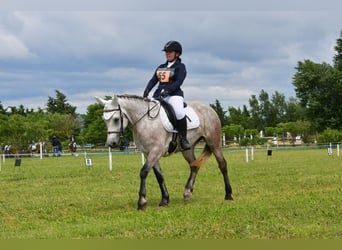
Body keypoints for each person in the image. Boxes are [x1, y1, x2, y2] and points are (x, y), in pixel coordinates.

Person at [143, 40, 190, 150]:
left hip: (174, 95)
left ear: (177, 54)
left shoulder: (180, 67)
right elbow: (153, 80)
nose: (167, 54)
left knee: (179, 112)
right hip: (159, 95)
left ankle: (183, 139)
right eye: (166, 52)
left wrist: (168, 90)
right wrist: (147, 90)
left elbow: (179, 82)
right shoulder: (161, 66)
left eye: (170, 52)